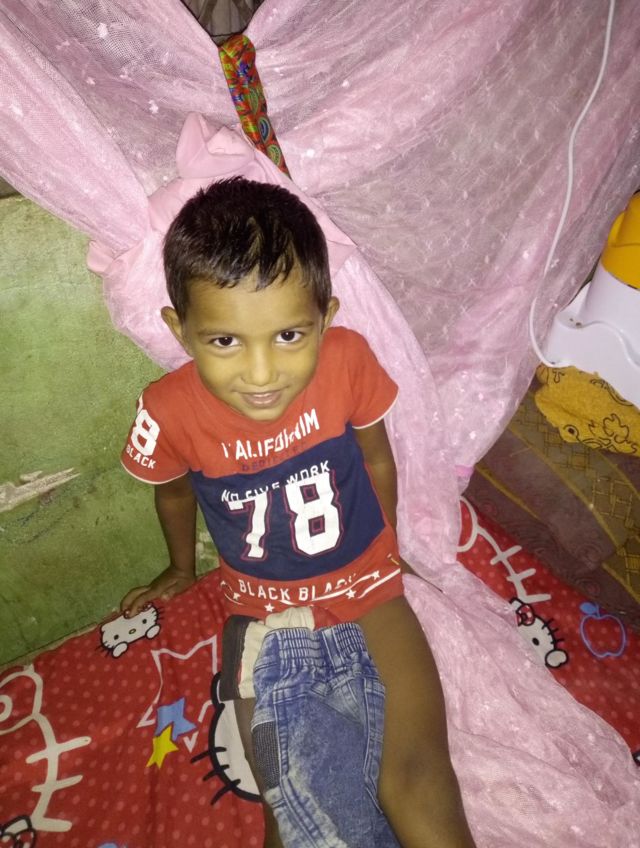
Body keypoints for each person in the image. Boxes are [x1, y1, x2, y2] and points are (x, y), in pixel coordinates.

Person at [120, 176, 476, 848]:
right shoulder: (165, 410)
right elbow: (172, 491)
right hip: (261, 613)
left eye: (289, 334)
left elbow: (376, 458)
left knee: (417, 778)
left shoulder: (349, 361)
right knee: (293, 806)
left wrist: (390, 548)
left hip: (367, 586)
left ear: (325, 316)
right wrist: (179, 568)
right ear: (180, 329)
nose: (262, 374)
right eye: (225, 341)